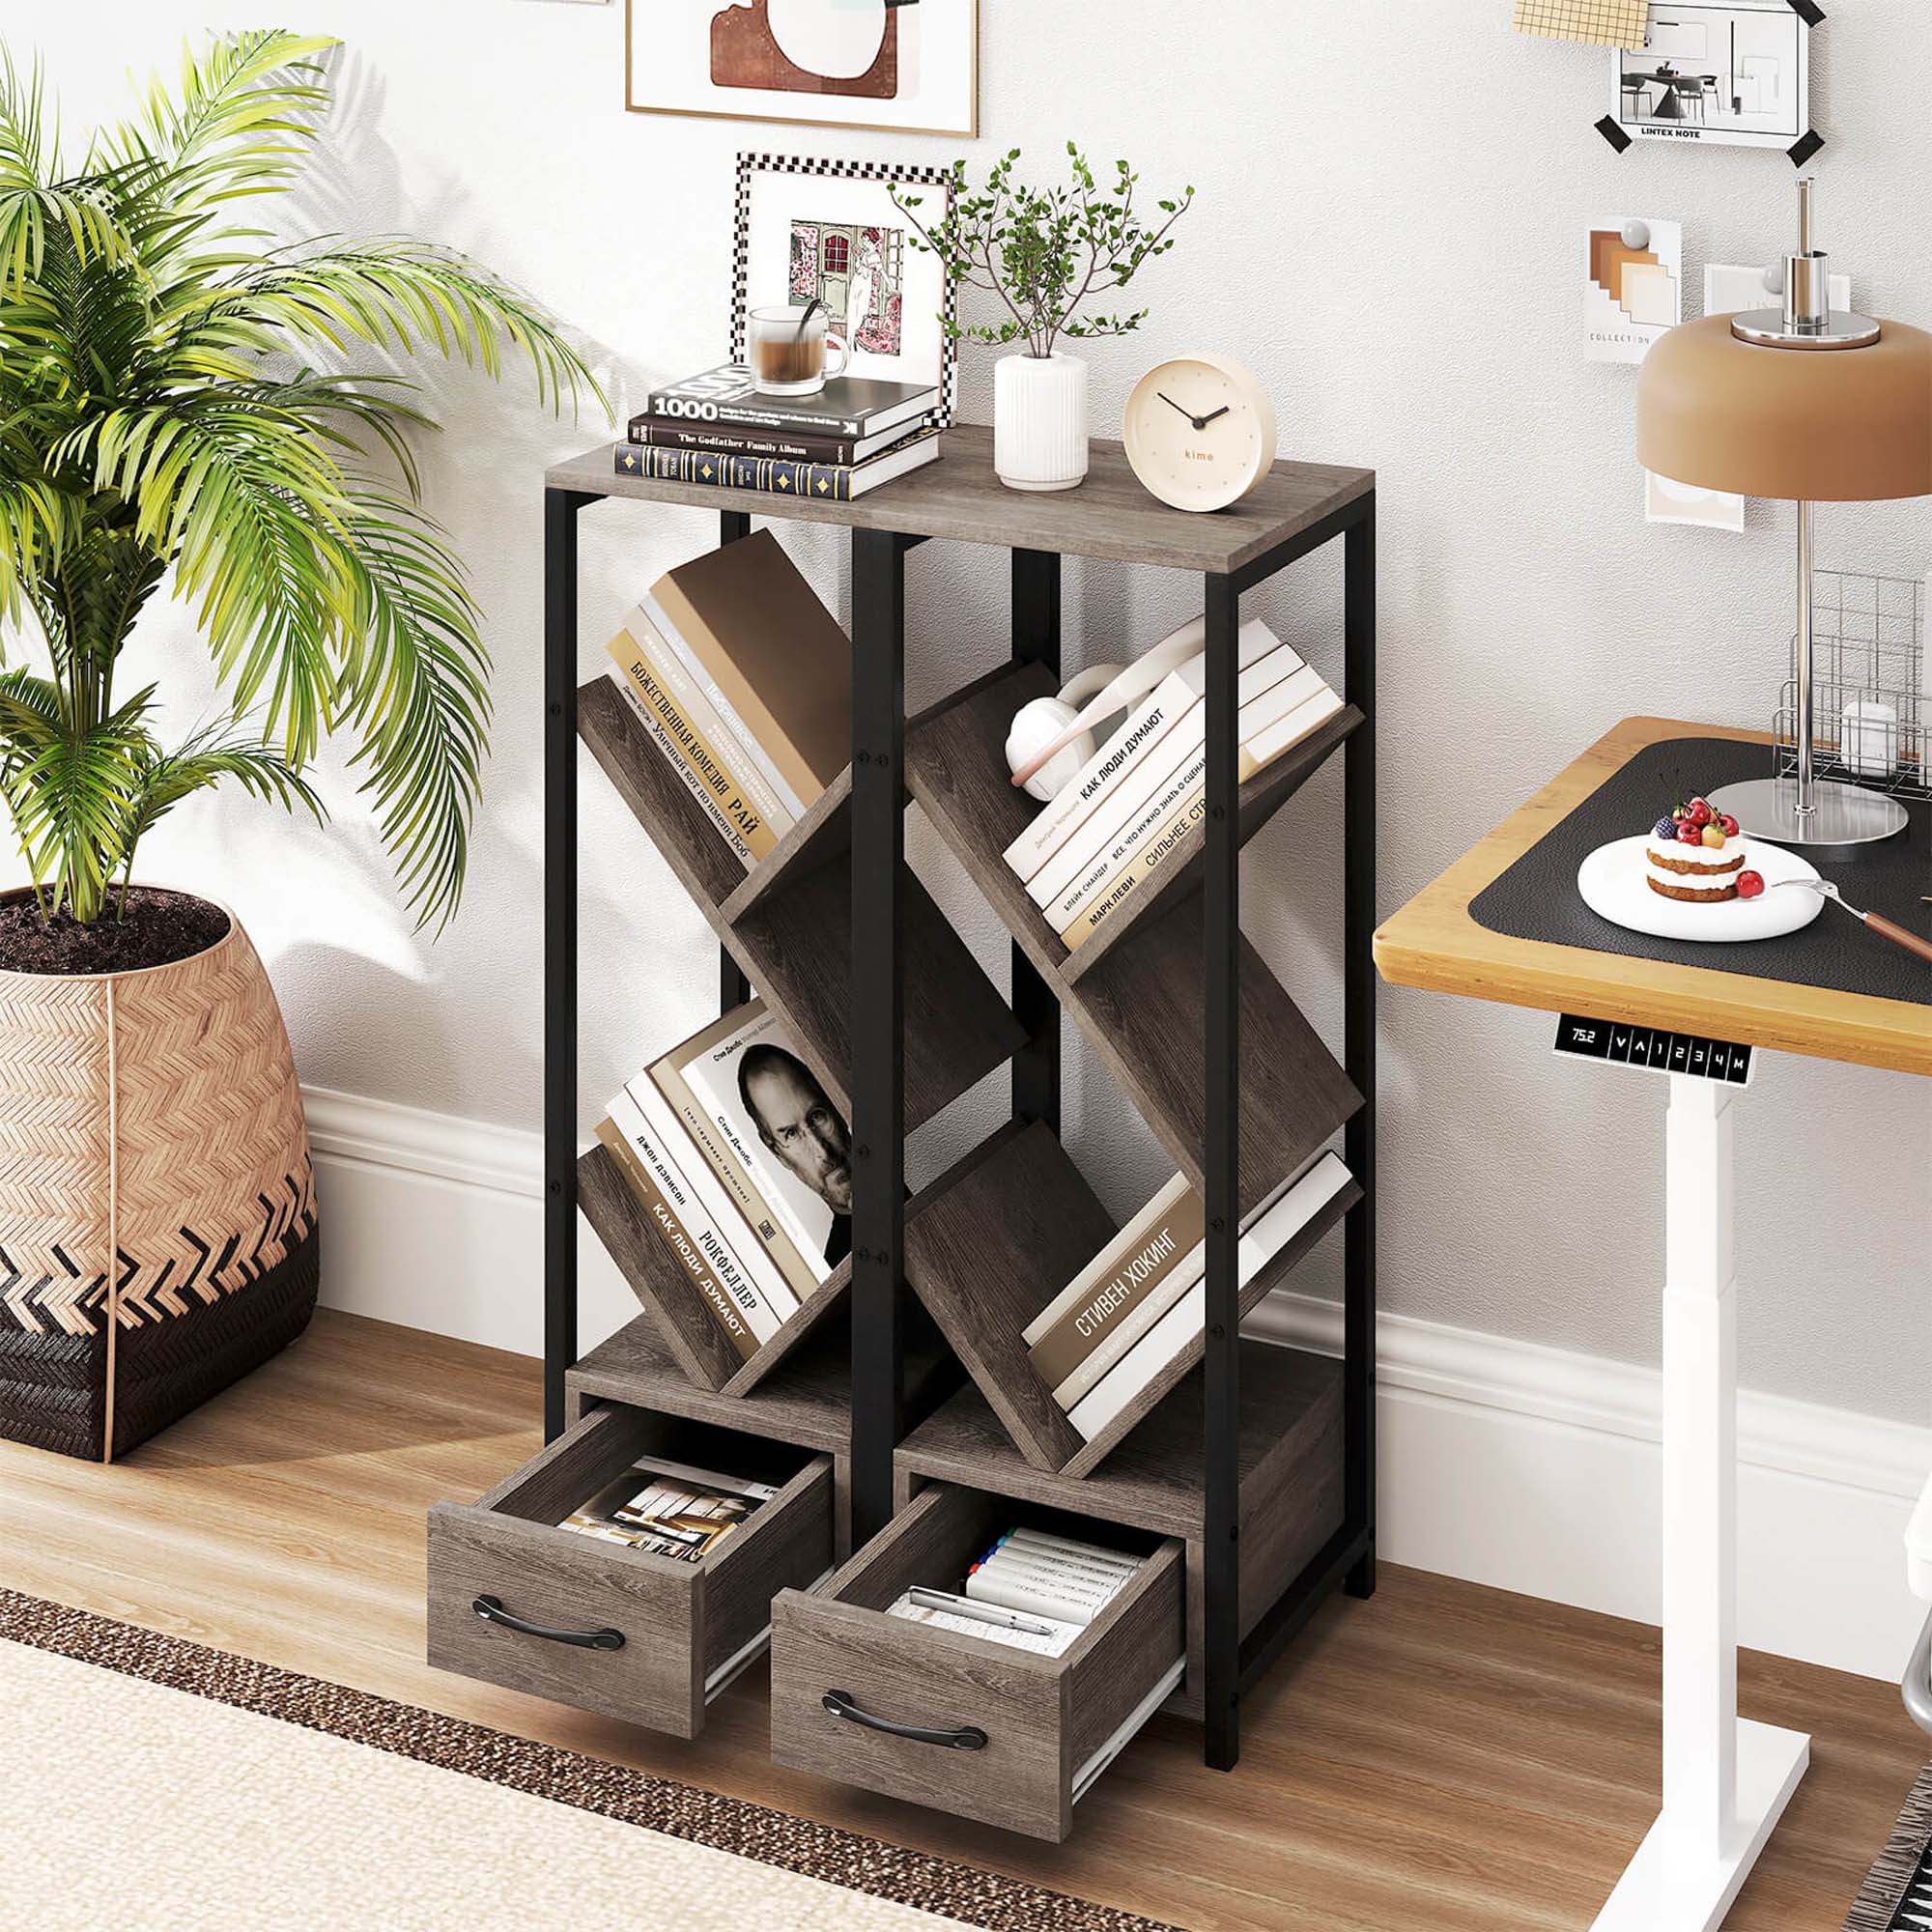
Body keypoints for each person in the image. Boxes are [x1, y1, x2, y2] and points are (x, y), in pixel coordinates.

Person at [738, 1043, 853, 1266]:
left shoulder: (922, 1156)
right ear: (778, 1154)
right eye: (791, 1134)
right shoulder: (839, 1269)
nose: (822, 1152)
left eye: (817, 1117)